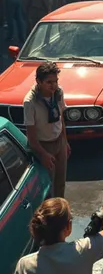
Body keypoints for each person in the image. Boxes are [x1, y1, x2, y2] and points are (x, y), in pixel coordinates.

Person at [23, 63, 70, 198]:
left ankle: (60, 212)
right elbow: (31, 137)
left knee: (60, 182)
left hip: (59, 141)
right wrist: (43, 154)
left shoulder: (58, 92)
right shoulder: (30, 102)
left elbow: (61, 119)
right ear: (38, 81)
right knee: (48, 186)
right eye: (49, 82)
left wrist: (65, 142)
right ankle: (50, 215)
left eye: (55, 81)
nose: (53, 85)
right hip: (43, 145)